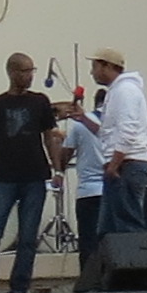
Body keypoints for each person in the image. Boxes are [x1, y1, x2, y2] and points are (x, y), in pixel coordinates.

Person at [0, 52, 59, 293]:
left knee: (28, 236)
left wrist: (58, 169)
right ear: (12, 72)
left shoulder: (40, 101)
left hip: (35, 176)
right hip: (4, 177)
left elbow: (49, 137)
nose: (30, 76)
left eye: (32, 70)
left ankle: (20, 287)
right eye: (25, 71)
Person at [90, 51, 147, 234]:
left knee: (127, 227)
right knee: (111, 229)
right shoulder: (119, 91)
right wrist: (83, 118)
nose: (92, 72)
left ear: (107, 66)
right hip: (126, 164)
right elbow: (109, 132)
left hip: (127, 165)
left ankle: (133, 254)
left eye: (95, 67)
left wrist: (114, 165)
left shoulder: (124, 90)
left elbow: (127, 130)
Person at [58, 98, 107, 266]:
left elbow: (64, 157)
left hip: (88, 190)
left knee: (88, 240)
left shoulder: (80, 125)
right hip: (113, 189)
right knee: (112, 240)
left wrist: (59, 166)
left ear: (96, 102)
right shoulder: (117, 124)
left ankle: (89, 277)